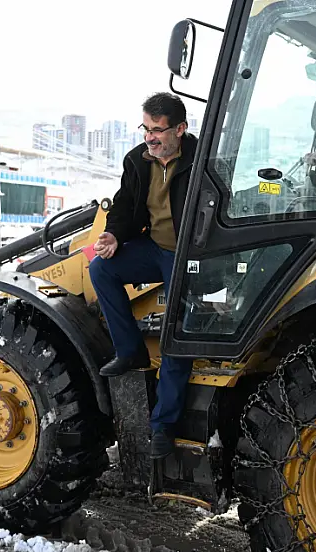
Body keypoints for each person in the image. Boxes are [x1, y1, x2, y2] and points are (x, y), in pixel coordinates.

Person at [88, 92, 198, 459]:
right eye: (146, 129)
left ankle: (162, 426)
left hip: (187, 256)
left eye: (158, 130)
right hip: (153, 249)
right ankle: (130, 351)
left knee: (176, 335)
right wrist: (114, 235)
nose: (150, 137)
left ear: (180, 130)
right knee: (101, 268)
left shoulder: (201, 159)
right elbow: (124, 207)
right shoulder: (137, 161)